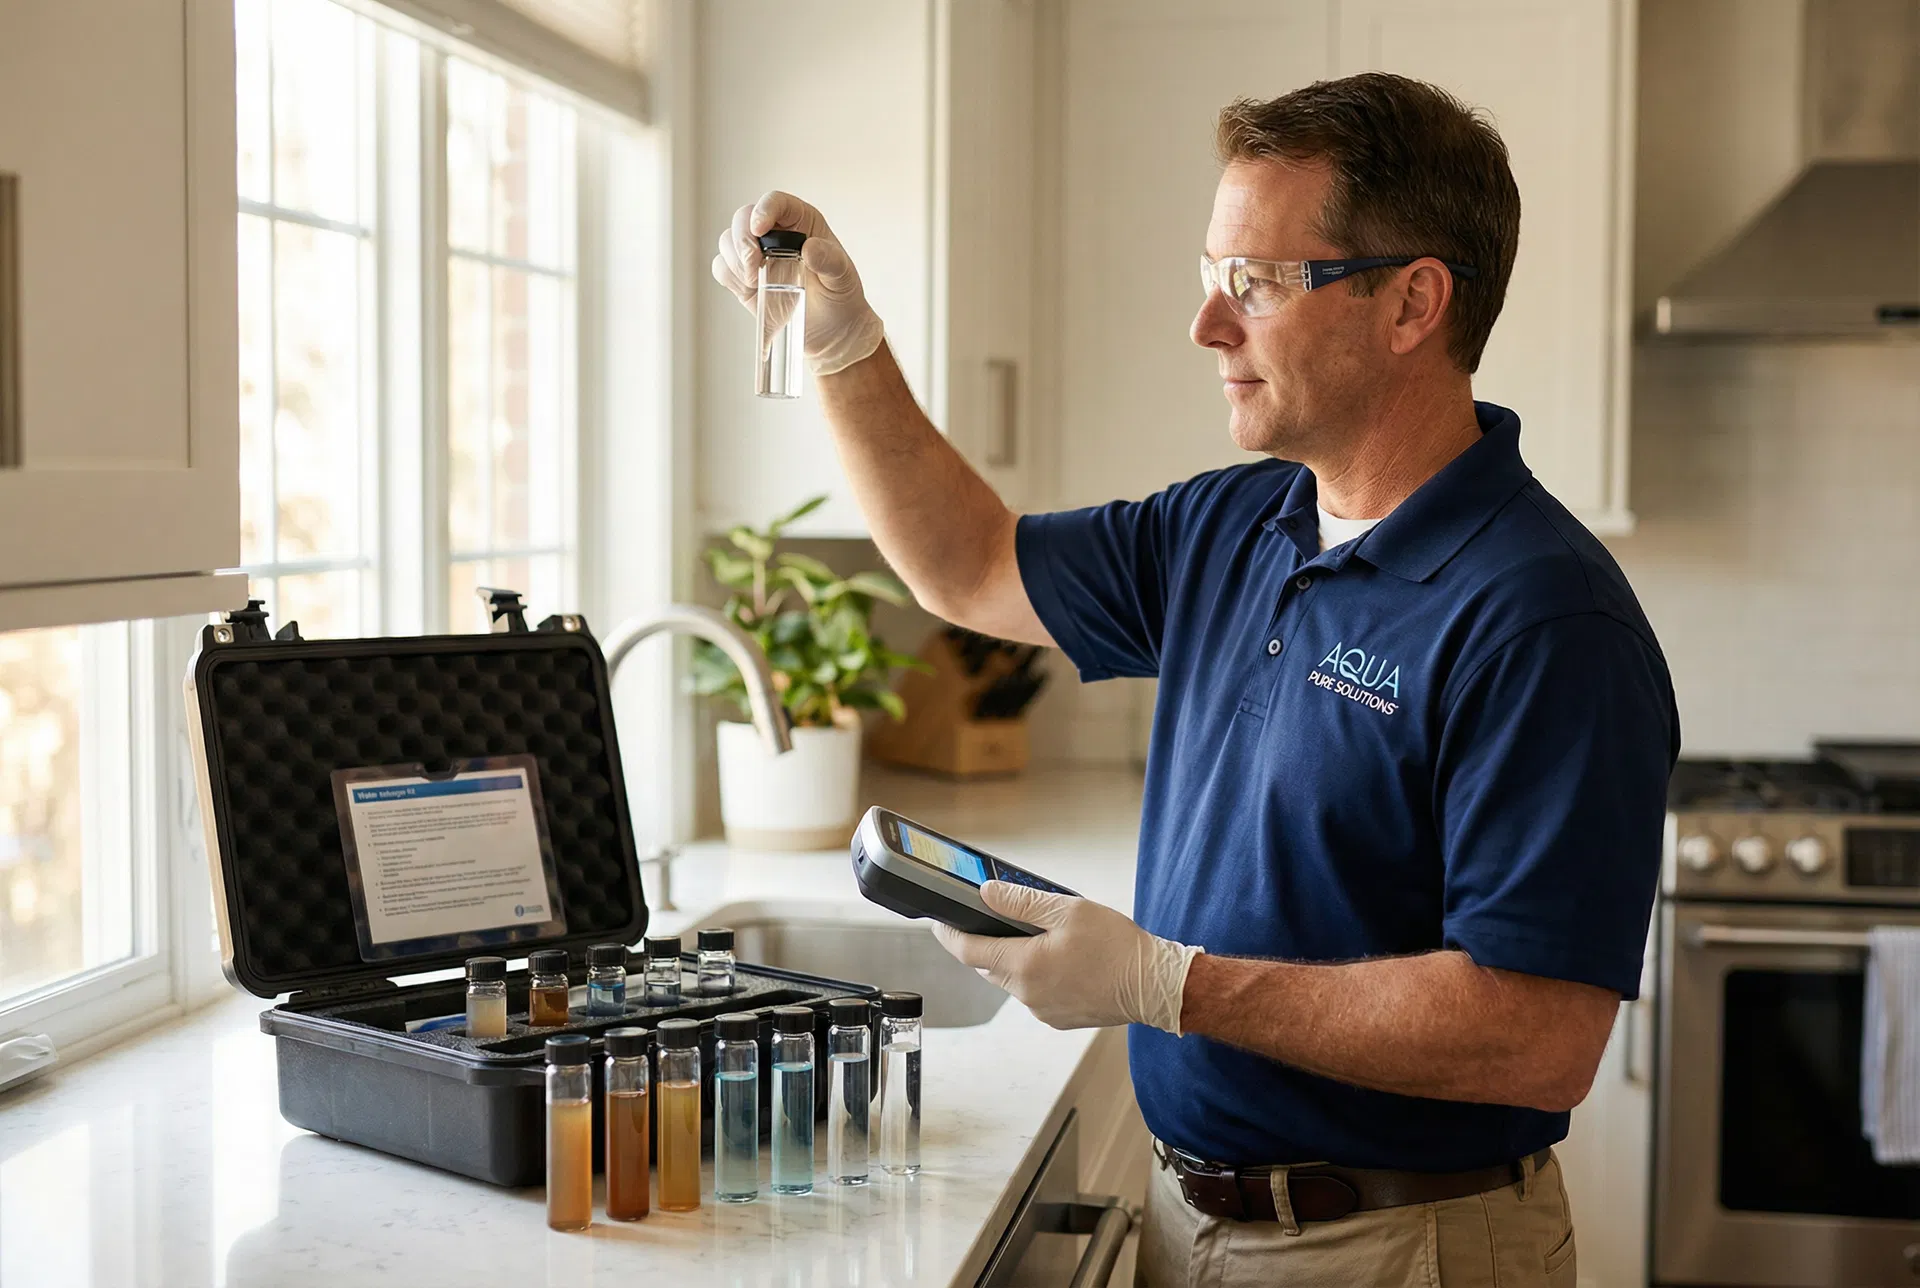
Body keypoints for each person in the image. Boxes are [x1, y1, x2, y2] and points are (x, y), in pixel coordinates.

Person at [713, 72, 1677, 1288]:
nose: (1207, 325)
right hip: (1193, 1221)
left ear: (1412, 302)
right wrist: (845, 343)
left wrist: (1166, 984)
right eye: (1212, 272)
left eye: (1258, 283)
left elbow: (1538, 1039)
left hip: (1403, 1247)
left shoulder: (1544, 618)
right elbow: (966, 564)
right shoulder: (1236, 525)